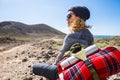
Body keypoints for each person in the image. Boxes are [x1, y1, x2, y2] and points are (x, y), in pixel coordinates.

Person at [33, 6, 94, 80]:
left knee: (36, 67)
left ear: (78, 18)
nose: (66, 18)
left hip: (69, 74)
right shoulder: (90, 35)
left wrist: (53, 68)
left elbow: (60, 56)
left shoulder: (71, 36)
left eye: (69, 15)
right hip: (84, 71)